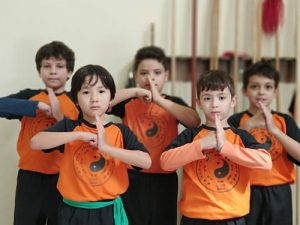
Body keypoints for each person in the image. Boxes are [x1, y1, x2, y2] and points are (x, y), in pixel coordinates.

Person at [30, 64, 152, 225]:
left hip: (108, 212)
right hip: (72, 212)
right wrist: (79, 135)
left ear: (110, 99)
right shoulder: (70, 127)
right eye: (86, 92)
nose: (94, 98)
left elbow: (146, 162)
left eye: (101, 92)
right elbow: (35, 142)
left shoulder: (120, 131)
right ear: (77, 100)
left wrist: (107, 148)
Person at [160, 70, 272, 225]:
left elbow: (266, 162)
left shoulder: (241, 136)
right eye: (207, 98)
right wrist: (201, 144)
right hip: (195, 219)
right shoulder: (191, 135)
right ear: (198, 102)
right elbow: (165, 163)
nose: (214, 104)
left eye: (221, 97)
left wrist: (225, 147)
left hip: (233, 219)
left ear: (233, 101)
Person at [109, 46, 200, 225]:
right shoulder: (128, 102)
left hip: (164, 178)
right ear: (135, 75)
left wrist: (159, 100)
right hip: (132, 176)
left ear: (166, 75)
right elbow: (104, 102)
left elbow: (194, 121)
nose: (150, 78)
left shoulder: (172, 103)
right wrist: (134, 91)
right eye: (143, 73)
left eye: (157, 73)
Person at [1, 41, 78, 225]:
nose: (52, 71)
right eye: (46, 66)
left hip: (63, 178)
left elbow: (81, 133)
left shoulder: (76, 99)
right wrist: (37, 106)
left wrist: (60, 118)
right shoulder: (30, 96)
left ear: (69, 72)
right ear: (39, 71)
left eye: (59, 66)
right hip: (30, 177)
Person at [228, 61, 300, 225]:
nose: (261, 92)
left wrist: (275, 130)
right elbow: (228, 155)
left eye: (268, 87)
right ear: (245, 90)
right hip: (245, 190)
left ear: (276, 91)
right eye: (255, 86)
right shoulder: (235, 120)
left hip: (279, 191)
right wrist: (248, 126)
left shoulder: (284, 120)